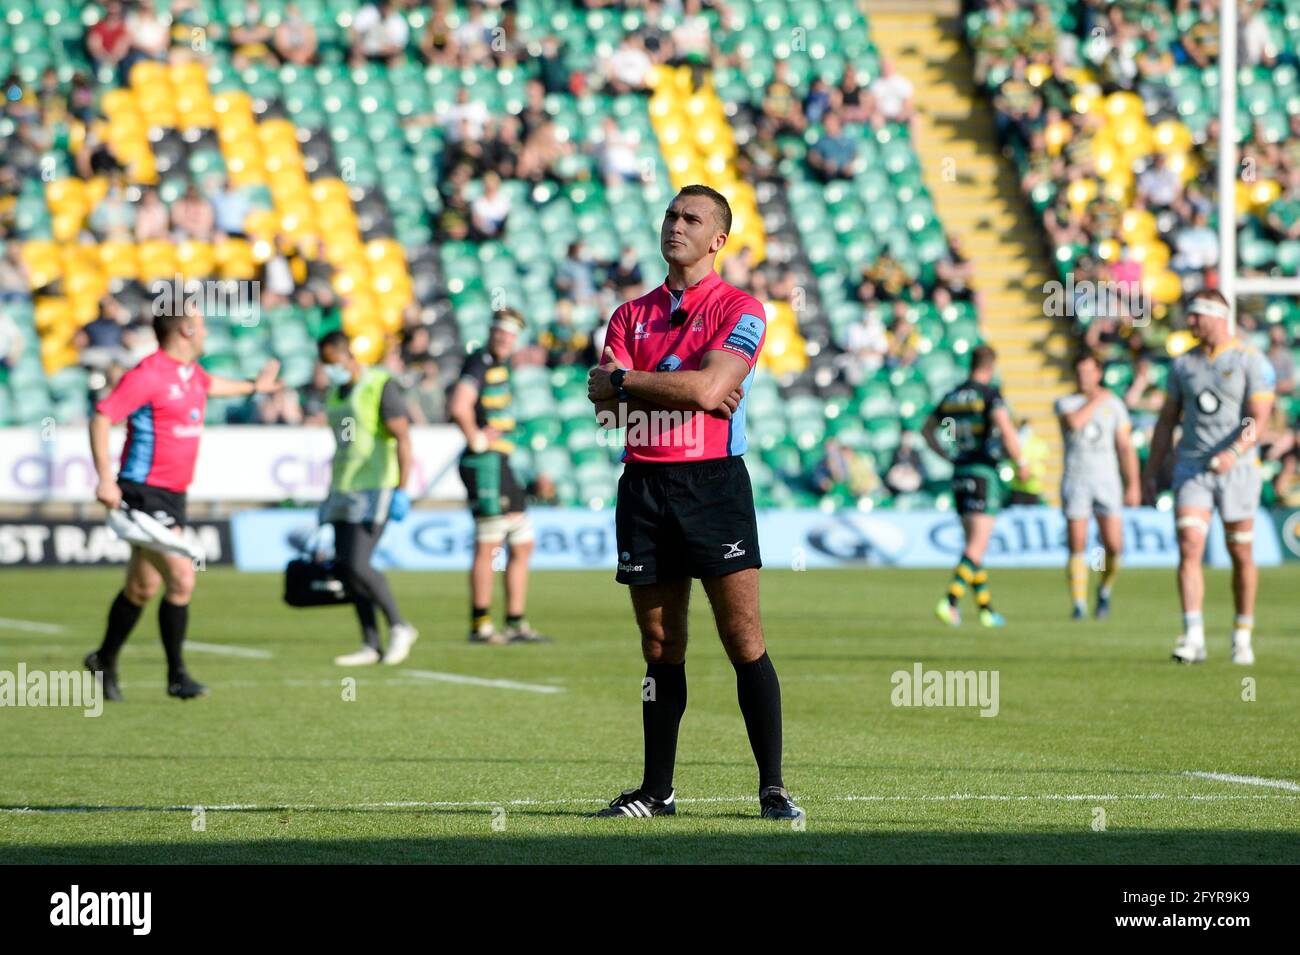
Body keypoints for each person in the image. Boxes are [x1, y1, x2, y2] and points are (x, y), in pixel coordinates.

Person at [586, 184, 803, 821]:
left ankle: (772, 786)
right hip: (644, 485)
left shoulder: (742, 308)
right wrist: (675, 391)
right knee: (659, 646)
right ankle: (657, 792)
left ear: (718, 239)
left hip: (713, 485)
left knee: (743, 637)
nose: (676, 225)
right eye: (671, 214)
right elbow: (606, 407)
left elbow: (708, 389)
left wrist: (633, 382)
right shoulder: (629, 315)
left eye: (692, 218)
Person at [84, 303, 282, 701]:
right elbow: (103, 416)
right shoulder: (148, 375)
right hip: (143, 491)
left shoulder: (192, 373)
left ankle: (103, 660)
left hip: (174, 495)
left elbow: (211, 385)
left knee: (142, 587)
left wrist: (252, 387)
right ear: (185, 331)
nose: (207, 332)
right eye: (202, 326)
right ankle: (177, 676)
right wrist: (105, 478)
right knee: (182, 577)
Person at [1143, 292, 1276, 665]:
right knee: (1189, 543)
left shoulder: (1250, 360)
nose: (1190, 323)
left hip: (1238, 470)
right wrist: (1152, 470)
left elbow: (1258, 418)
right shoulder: (1183, 364)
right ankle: (1193, 635)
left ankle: (1242, 633)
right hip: (1192, 467)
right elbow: (1167, 420)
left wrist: (1234, 452)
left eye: (1196, 315)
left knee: (1240, 552)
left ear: (1218, 316)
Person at [317, 331, 420, 666]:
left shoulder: (379, 384)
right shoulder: (336, 393)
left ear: (348, 356)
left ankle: (400, 625)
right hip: (344, 488)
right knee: (347, 567)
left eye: (333, 363)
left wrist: (402, 489)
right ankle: (370, 643)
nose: (330, 370)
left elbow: (402, 438)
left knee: (360, 562)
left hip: (377, 486)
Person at [447, 308, 547, 644]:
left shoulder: (498, 364)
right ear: (491, 332)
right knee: (490, 544)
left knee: (522, 542)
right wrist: (474, 437)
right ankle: (481, 624)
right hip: (485, 462)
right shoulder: (479, 362)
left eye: (511, 334)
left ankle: (516, 622)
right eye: (500, 332)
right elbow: (460, 405)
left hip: (500, 462)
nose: (505, 338)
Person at [923, 344, 1028, 628]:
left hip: (960, 471)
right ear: (991, 366)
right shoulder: (989, 395)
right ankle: (950, 601)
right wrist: (1021, 461)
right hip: (983, 471)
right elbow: (1005, 428)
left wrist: (945, 454)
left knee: (973, 547)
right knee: (977, 547)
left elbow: (927, 429)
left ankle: (985, 610)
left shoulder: (954, 395)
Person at [1055, 352, 1140, 620]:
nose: (1083, 378)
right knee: (1077, 541)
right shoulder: (1066, 402)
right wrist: (1099, 398)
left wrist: (1133, 484)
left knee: (1112, 545)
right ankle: (1078, 603)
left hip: (1107, 480)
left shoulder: (1114, 405)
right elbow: (1075, 423)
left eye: (1088, 372)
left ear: (1098, 373)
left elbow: (1125, 447)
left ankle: (1104, 588)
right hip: (1076, 478)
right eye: (1079, 373)